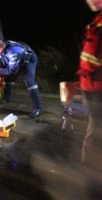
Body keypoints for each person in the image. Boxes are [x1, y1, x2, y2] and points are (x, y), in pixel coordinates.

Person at [0, 38, 43, 118]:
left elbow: (12, 71)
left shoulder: (13, 53)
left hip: (29, 60)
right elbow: (0, 62)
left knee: (29, 82)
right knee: (8, 78)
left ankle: (38, 108)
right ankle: (7, 98)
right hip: (18, 59)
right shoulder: (2, 48)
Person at [80, 0, 102, 184]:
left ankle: (90, 177)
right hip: (91, 88)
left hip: (98, 90)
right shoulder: (97, 21)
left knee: (94, 134)